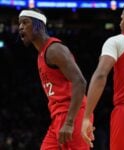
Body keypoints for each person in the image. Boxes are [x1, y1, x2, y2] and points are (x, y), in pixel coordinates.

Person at [18, 8, 93, 150]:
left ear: (38, 25)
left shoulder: (54, 49)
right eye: (19, 23)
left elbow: (80, 82)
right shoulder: (41, 54)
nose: (20, 27)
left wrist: (70, 122)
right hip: (58, 116)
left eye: (25, 22)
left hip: (73, 114)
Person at [81, 1, 124, 150]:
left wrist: (87, 116)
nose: (120, 23)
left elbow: (100, 75)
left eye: (121, 18)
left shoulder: (117, 41)